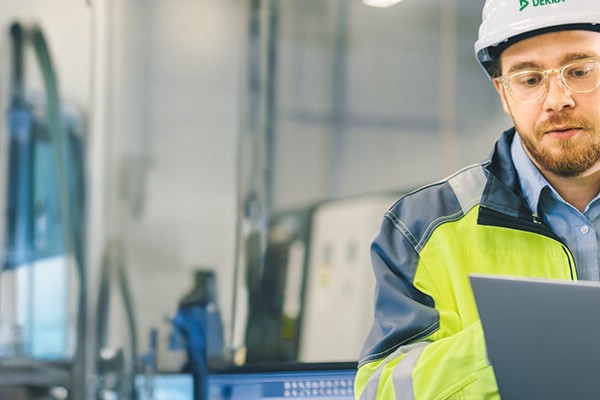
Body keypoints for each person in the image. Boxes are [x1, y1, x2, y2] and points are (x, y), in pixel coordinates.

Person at [354, 1, 600, 399]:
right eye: (530, 79)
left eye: (580, 71)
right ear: (503, 94)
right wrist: (517, 342)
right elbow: (381, 390)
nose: (558, 99)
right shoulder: (421, 226)